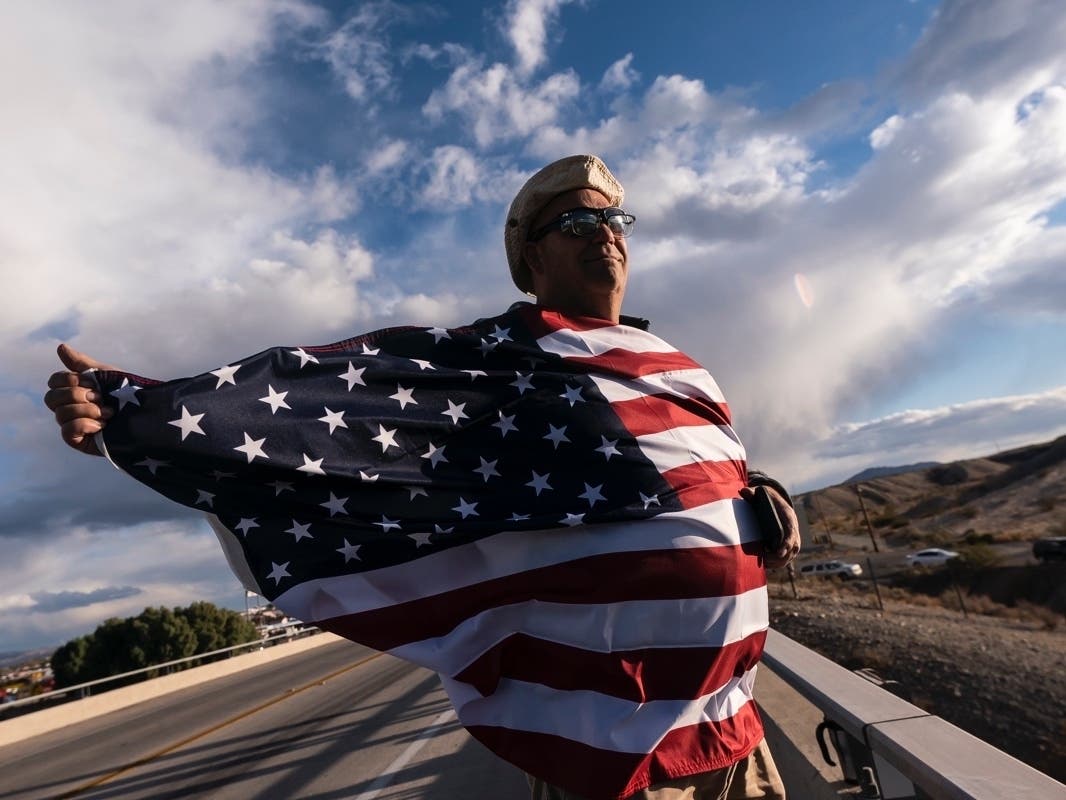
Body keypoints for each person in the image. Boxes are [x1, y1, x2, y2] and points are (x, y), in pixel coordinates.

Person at [46, 155, 799, 799]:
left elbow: (706, 476)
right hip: (621, 747)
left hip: (734, 720)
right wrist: (138, 421)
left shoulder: (676, 366)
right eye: (576, 224)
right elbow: (325, 422)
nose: (604, 233)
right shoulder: (499, 368)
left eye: (615, 222)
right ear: (532, 260)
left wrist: (762, 492)